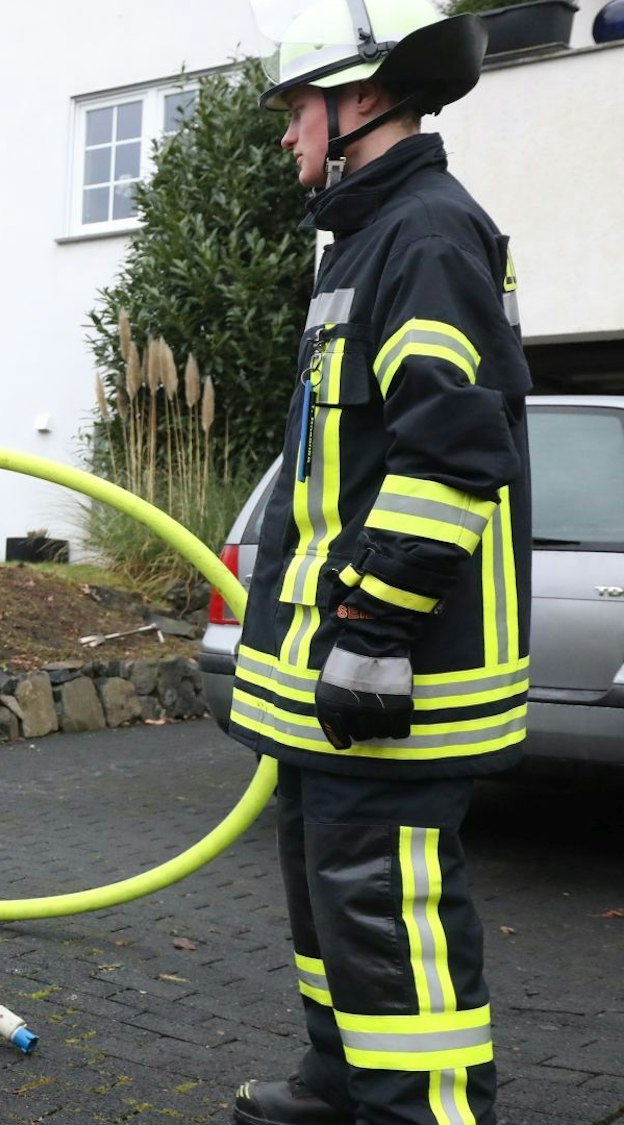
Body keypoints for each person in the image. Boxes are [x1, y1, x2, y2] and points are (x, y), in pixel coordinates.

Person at [230, 3, 528, 1123]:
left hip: (393, 679)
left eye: (294, 108)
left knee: (387, 915)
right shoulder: (365, 239)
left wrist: (368, 636)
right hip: (336, 685)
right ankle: (340, 1082)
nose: (284, 136)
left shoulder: (428, 235)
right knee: (332, 906)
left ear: (362, 98)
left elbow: (449, 454)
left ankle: (421, 1111)